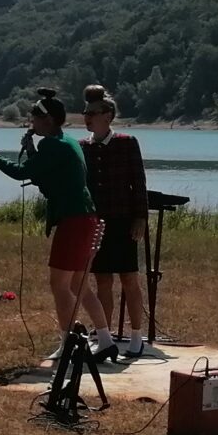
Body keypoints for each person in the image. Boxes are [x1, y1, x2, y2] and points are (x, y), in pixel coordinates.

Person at [0, 88, 101, 355]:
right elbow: (45, 175)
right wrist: (32, 151)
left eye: (34, 118)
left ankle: (68, 342)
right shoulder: (68, 142)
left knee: (59, 285)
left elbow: (22, 173)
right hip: (84, 216)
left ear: (48, 121)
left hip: (73, 220)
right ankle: (105, 338)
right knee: (79, 283)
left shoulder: (52, 144)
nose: (31, 123)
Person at [79, 86, 151, 356]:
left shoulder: (126, 142)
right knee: (103, 281)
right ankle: (104, 334)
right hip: (97, 223)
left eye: (93, 113)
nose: (88, 118)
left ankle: (136, 335)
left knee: (130, 279)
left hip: (123, 220)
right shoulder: (83, 146)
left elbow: (139, 182)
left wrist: (140, 217)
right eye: (85, 113)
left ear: (108, 115)